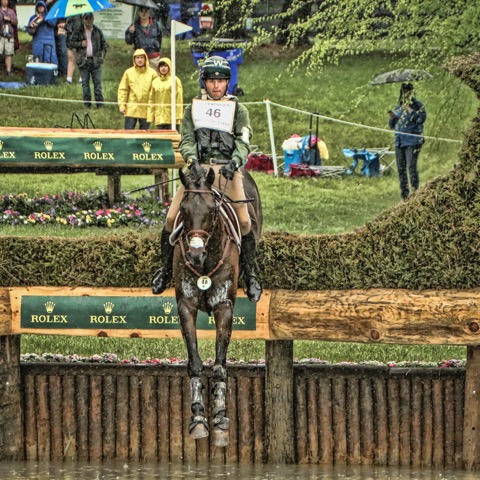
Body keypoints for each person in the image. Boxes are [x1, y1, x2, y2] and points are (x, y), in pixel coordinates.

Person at [152, 56, 262, 303]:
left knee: (245, 221)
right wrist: (192, 161)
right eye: (212, 81)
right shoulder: (192, 109)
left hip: (227, 170)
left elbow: (243, 140)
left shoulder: (239, 110)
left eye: (220, 81)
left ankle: (251, 275)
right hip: (198, 170)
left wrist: (235, 162)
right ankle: (165, 270)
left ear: (227, 83)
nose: (216, 85)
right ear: (205, 82)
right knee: (170, 218)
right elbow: (187, 139)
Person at [388, 82, 427, 200]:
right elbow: (392, 126)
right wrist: (392, 118)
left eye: (409, 91)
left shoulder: (418, 105)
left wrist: (409, 110)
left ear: (412, 92)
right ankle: (404, 195)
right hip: (399, 141)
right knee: (401, 169)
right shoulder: (398, 106)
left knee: (411, 167)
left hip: (413, 141)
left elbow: (420, 120)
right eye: (404, 91)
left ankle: (415, 193)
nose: (406, 93)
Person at [69, 13, 107, 108]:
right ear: (83, 19)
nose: (88, 20)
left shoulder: (97, 31)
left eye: (90, 18)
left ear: (93, 18)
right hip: (83, 61)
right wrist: (81, 44)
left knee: (97, 83)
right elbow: (71, 43)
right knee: (85, 84)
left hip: (95, 61)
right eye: (86, 18)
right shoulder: (78, 31)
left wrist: (100, 58)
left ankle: (99, 104)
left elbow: (104, 46)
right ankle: (87, 104)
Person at [118, 48, 157, 130]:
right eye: (137, 58)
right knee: (128, 132)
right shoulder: (128, 72)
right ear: (134, 59)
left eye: (142, 57)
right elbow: (123, 90)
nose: (139, 60)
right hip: (131, 108)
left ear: (145, 59)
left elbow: (156, 92)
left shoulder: (153, 73)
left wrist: (154, 108)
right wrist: (122, 105)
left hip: (146, 108)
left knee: (144, 133)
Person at [147, 57, 183, 131]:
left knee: (173, 137)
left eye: (165, 66)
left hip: (172, 117)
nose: (163, 68)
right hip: (159, 117)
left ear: (169, 67)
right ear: (158, 68)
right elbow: (151, 99)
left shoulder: (175, 80)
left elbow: (179, 99)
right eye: (161, 66)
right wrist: (151, 115)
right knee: (162, 137)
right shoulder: (155, 82)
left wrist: (178, 115)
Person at [125, 7, 162, 71]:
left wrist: (156, 47)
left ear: (149, 12)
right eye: (142, 11)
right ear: (139, 12)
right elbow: (128, 41)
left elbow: (159, 38)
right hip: (140, 57)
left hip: (153, 57)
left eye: (146, 11)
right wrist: (131, 32)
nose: (144, 13)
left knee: (154, 75)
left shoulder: (156, 25)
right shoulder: (134, 25)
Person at [26, 0, 57, 65]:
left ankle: (51, 70)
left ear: (45, 7)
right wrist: (32, 28)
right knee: (37, 58)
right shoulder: (33, 18)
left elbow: (53, 23)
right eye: (39, 6)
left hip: (49, 41)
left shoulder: (50, 16)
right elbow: (29, 30)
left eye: (42, 6)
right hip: (37, 41)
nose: (40, 8)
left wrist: (44, 19)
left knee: (49, 58)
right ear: (36, 8)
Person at [0, 0, 17, 76]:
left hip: (9, 36)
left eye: (6, 0)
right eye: (3, 0)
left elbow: (16, 22)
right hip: (0, 36)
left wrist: (9, 19)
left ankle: (8, 71)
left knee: (8, 54)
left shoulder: (11, 11)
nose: (4, 1)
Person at [65, 15, 82, 84]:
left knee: (80, 59)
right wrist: (65, 26)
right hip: (71, 40)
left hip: (78, 40)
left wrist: (65, 26)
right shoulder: (69, 16)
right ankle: (69, 79)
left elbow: (77, 28)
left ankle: (81, 79)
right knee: (71, 59)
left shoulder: (79, 16)